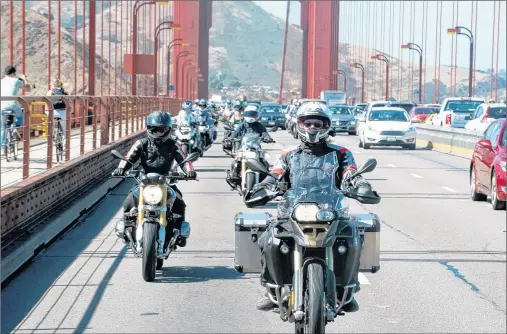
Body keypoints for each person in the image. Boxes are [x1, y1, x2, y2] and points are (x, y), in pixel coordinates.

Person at [252, 102, 375, 313]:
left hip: (331, 210)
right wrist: (265, 186)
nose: (312, 127)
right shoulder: (287, 154)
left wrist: (360, 185)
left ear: (326, 126)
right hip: (292, 209)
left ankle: (347, 289)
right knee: (269, 238)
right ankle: (271, 290)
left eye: (317, 123)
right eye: (306, 123)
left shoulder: (341, 153)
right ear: (299, 125)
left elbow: (351, 174)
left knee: (354, 238)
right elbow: (275, 174)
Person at [111, 111, 197, 248]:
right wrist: (121, 169)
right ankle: (127, 231)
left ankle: (180, 234)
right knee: (128, 201)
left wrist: (189, 172)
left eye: (162, 130)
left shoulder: (173, 144)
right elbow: (129, 158)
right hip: (144, 181)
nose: (158, 133)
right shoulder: (141, 143)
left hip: (166, 180)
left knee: (179, 202)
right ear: (149, 128)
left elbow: (184, 160)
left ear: (168, 130)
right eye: (155, 129)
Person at [1, 66, 32, 149]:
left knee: (4, 126)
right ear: (13, 73)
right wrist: (25, 79)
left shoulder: (1, 81)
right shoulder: (16, 81)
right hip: (14, 106)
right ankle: (14, 128)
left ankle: (3, 147)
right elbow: (28, 89)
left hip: (2, 106)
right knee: (20, 118)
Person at [46, 79, 68, 143]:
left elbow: (47, 101)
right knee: (65, 130)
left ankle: (52, 135)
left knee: (50, 123)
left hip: (53, 112)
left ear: (53, 85)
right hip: (63, 112)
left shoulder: (50, 92)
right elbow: (69, 103)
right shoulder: (65, 92)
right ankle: (64, 144)